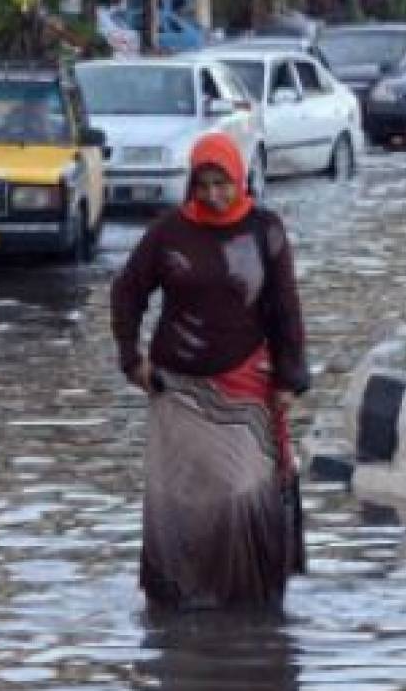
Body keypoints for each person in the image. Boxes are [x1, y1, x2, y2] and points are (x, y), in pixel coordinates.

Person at [110, 132, 309, 610]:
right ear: (192, 185)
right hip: (177, 390)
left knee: (241, 489)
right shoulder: (168, 233)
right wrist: (132, 360)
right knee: (183, 495)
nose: (214, 196)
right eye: (204, 185)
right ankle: (182, 595)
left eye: (223, 184)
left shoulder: (266, 231)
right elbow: (127, 291)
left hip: (245, 385)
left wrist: (288, 378)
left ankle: (247, 596)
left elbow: (285, 308)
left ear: (239, 180)